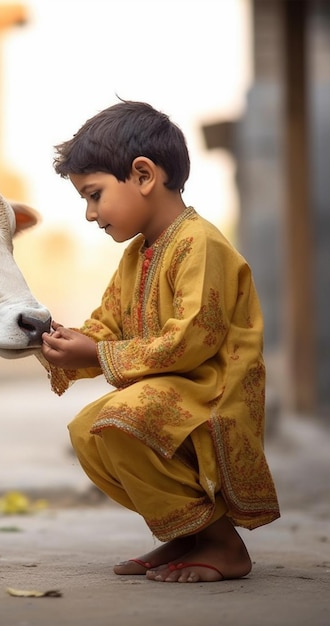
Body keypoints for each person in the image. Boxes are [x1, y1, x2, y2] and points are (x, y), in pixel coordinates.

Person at [39, 99, 280, 583]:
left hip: (211, 392)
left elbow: (192, 339)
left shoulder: (201, 244)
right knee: (86, 431)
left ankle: (224, 546)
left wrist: (99, 353)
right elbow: (107, 325)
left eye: (94, 194)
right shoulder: (136, 256)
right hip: (170, 394)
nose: (90, 214)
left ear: (144, 175)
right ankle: (189, 534)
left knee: (119, 420)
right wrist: (66, 343)